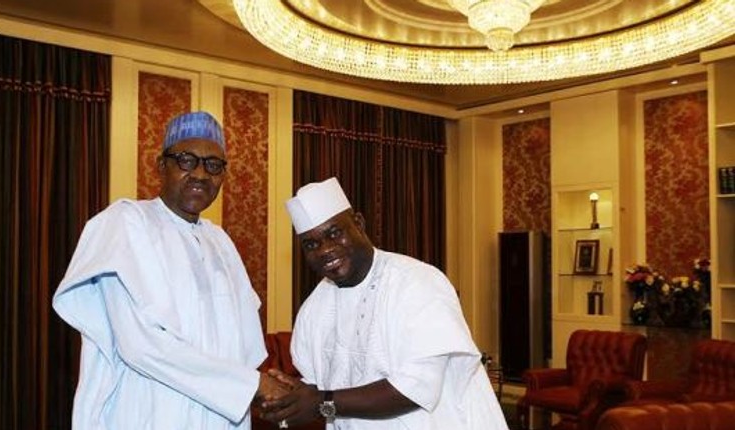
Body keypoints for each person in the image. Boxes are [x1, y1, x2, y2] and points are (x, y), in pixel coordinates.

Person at [53, 111, 287, 429]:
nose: (201, 174)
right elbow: (140, 345)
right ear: (162, 166)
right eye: (186, 160)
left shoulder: (220, 241)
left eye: (213, 165)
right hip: (150, 410)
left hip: (220, 416)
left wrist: (263, 384)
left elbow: (243, 343)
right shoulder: (125, 223)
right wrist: (251, 385)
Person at [261, 177, 508, 429]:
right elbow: (317, 387)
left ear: (358, 224)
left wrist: (320, 402)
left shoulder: (418, 283)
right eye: (311, 244)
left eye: (334, 233)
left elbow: (415, 389)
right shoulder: (314, 309)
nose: (325, 249)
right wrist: (291, 397)